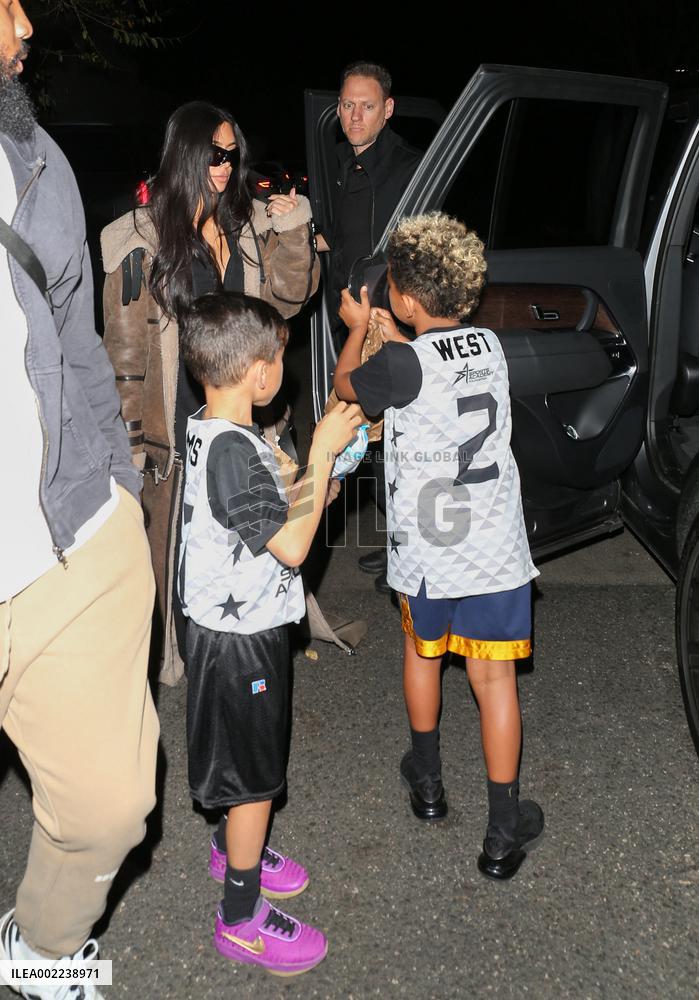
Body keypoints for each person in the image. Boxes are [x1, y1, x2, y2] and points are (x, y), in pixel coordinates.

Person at [0, 2, 158, 997]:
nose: (23, 24)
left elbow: (79, 337)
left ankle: (43, 949)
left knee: (109, 804)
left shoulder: (39, 160)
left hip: (66, 530)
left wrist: (118, 487)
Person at [333, 213, 544, 880]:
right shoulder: (490, 344)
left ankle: (427, 783)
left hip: (429, 551)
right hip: (494, 550)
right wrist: (399, 337)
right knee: (494, 681)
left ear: (403, 298)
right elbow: (436, 363)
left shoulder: (399, 365)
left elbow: (346, 386)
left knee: (422, 655)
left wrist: (356, 329)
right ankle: (502, 833)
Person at [101, 101, 319, 684]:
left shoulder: (246, 227)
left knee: (247, 554)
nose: (224, 166)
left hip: (241, 420)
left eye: (232, 155)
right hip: (177, 429)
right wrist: (130, 447)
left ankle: (238, 665)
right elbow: (125, 358)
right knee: (177, 560)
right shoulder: (142, 240)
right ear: (187, 153)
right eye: (214, 154)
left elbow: (288, 301)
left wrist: (293, 230)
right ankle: (187, 666)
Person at [177, 291, 361, 974]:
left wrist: (314, 480)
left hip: (226, 629)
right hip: (238, 641)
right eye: (281, 358)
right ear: (260, 374)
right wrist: (320, 455)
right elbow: (290, 546)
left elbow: (273, 510)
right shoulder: (234, 451)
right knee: (255, 777)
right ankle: (240, 916)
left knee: (241, 757)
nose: (283, 368)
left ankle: (232, 847)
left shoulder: (215, 427)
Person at [316, 61, 423, 594]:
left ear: (388, 110)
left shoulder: (409, 166)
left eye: (367, 106)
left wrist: (394, 319)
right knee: (375, 439)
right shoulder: (340, 162)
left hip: (387, 323)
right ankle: (397, 540)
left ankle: (411, 549)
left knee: (397, 437)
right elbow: (345, 234)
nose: (355, 115)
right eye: (347, 105)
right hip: (351, 320)